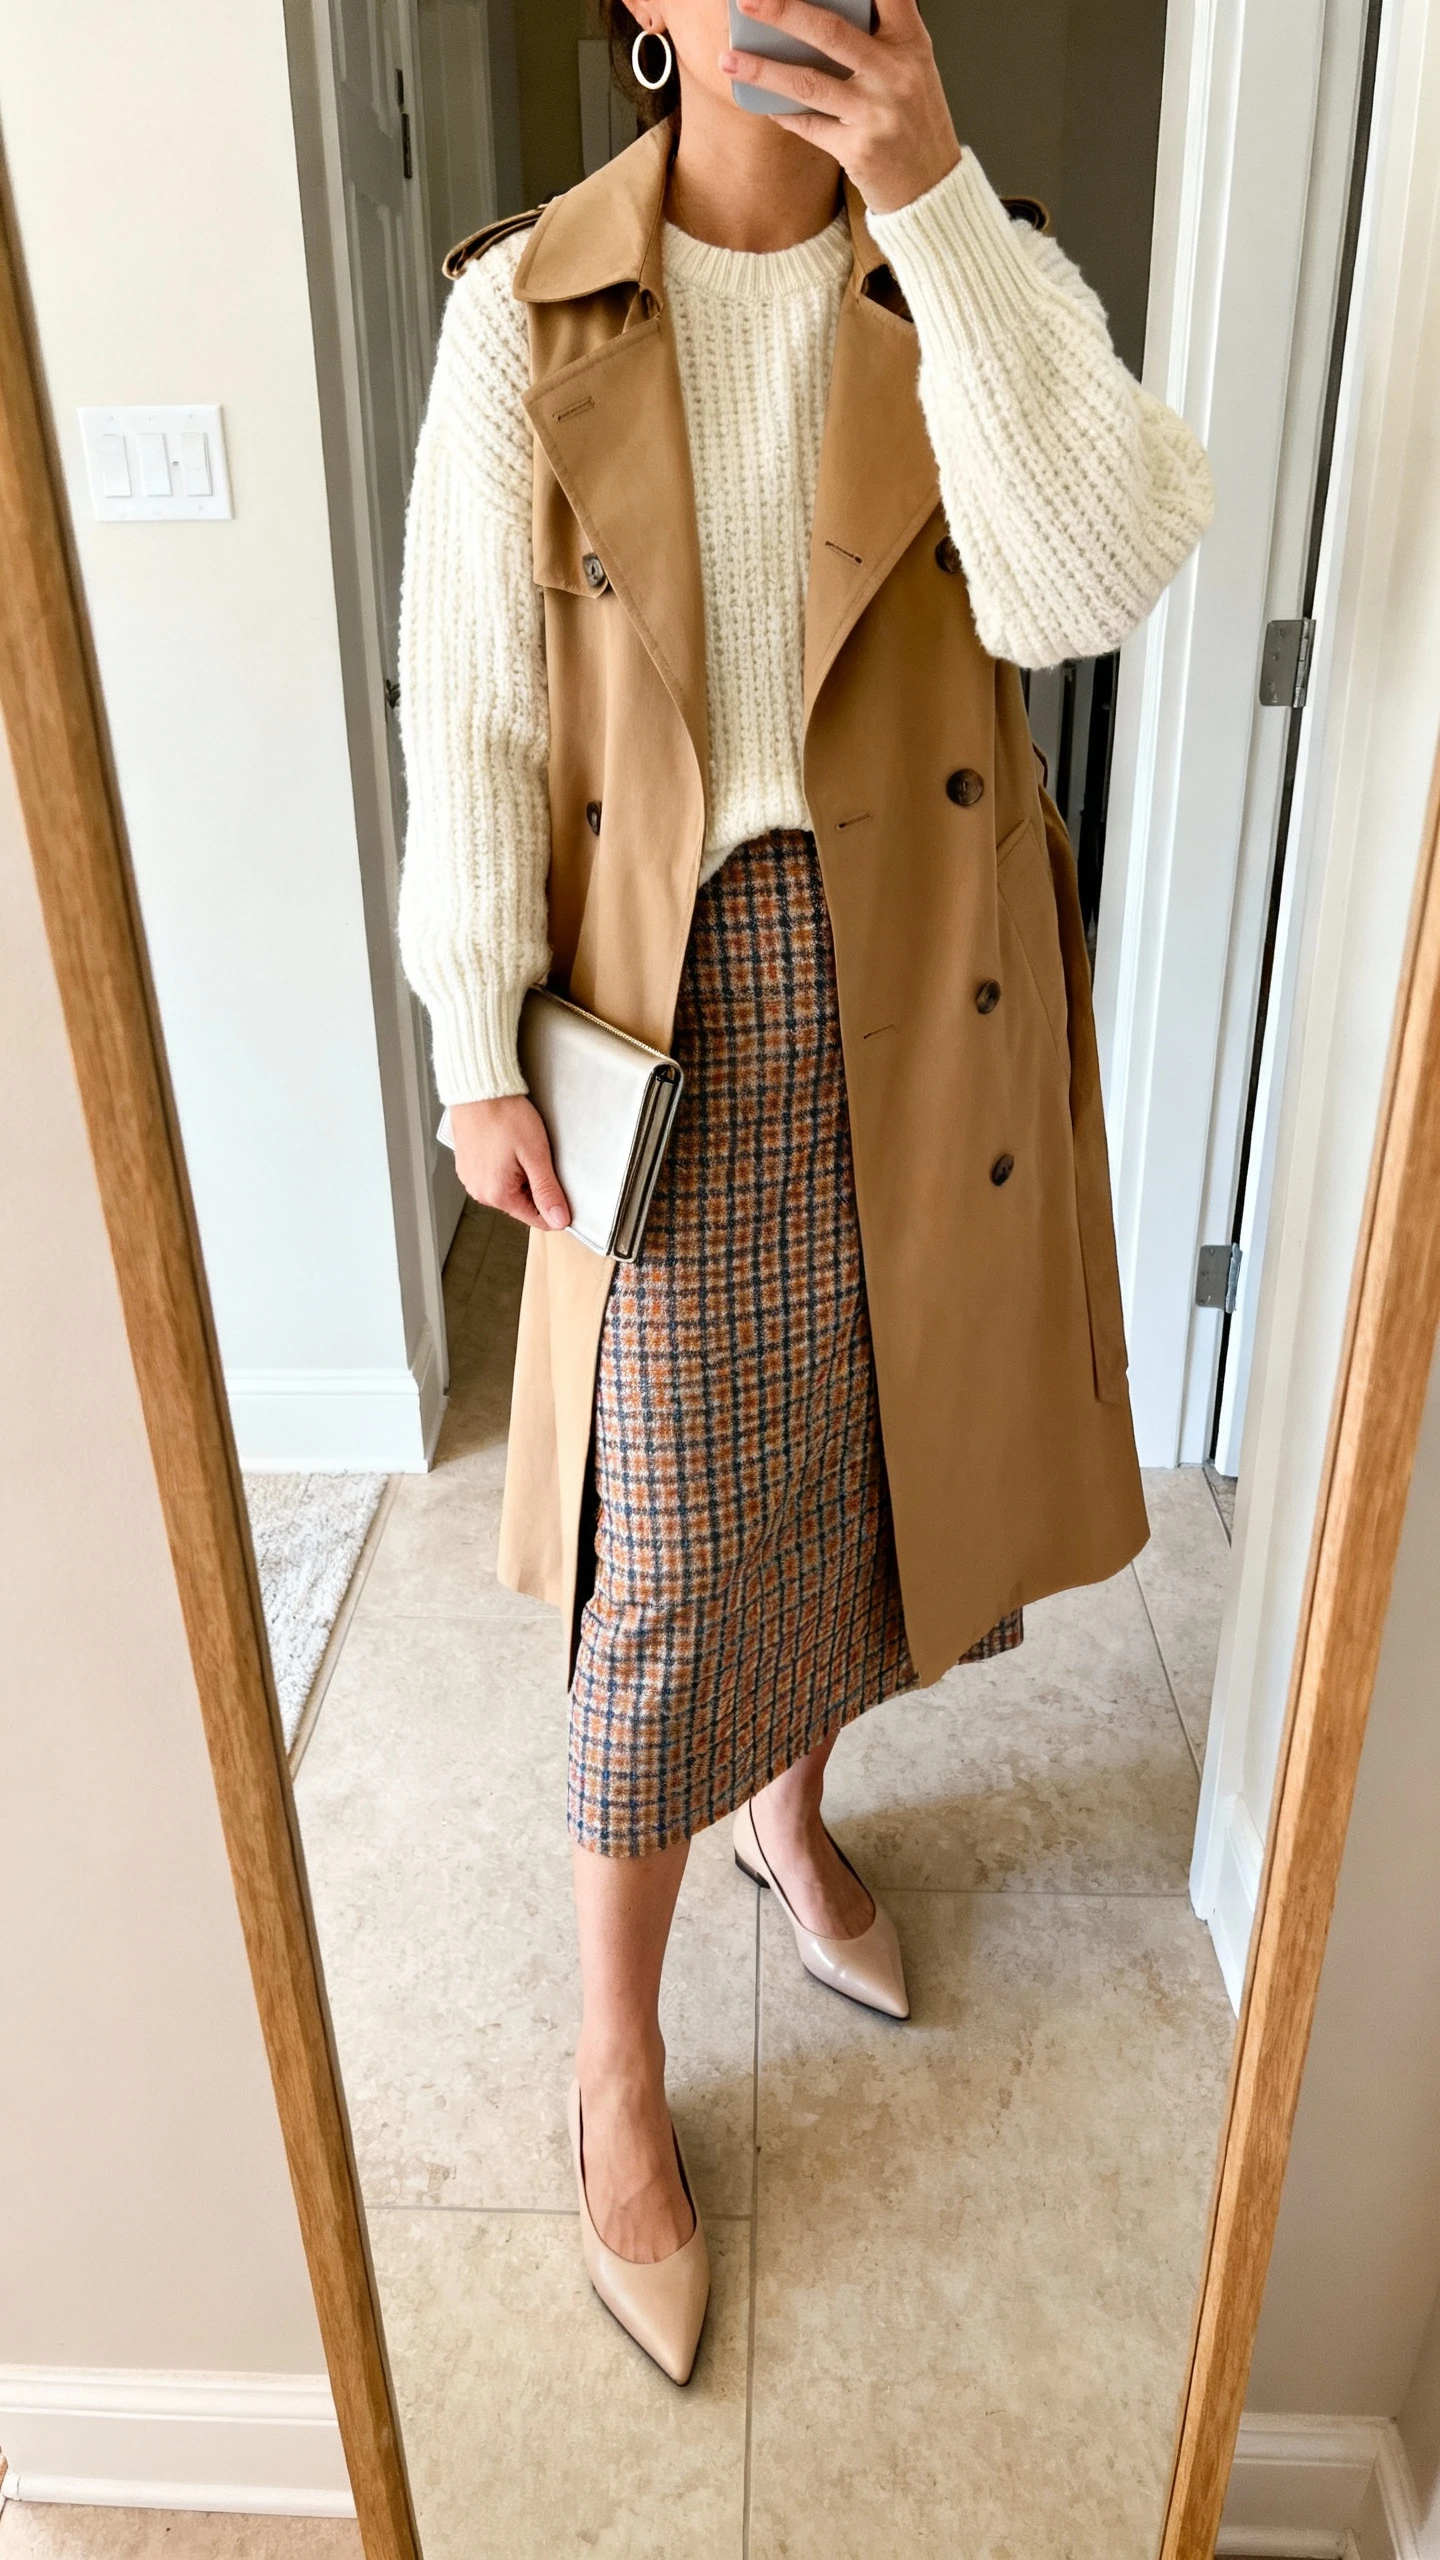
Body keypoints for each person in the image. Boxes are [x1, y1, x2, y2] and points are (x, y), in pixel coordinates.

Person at [397, 0, 1213, 2386]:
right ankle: (619, 2063)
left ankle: (797, 1807)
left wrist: (938, 204)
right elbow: (470, 704)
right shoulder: (516, 305)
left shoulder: (971, 260)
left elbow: (1088, 584)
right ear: (643, 11)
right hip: (667, 1014)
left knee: (866, 1485)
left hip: (926, 974)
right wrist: (471, 1036)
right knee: (666, 1559)